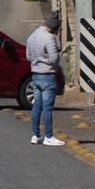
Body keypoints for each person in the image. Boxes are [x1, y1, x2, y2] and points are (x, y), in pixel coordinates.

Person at [27, 12, 64, 146]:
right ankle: (49, 136)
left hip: (35, 75)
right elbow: (54, 58)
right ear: (54, 26)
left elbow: (28, 56)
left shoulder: (33, 35)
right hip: (47, 75)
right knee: (47, 107)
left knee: (37, 106)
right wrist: (54, 56)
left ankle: (35, 135)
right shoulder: (50, 38)